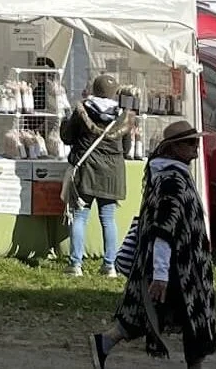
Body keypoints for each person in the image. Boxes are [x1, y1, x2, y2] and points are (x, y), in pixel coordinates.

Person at [89, 121, 216, 369]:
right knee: (193, 316)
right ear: (174, 147)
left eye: (196, 142)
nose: (196, 147)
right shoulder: (171, 180)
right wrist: (160, 274)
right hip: (180, 269)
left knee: (145, 310)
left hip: (179, 265)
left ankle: (104, 343)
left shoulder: (169, 175)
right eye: (190, 142)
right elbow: (164, 229)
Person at [62, 74, 132, 277]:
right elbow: (126, 148)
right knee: (108, 219)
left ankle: (76, 264)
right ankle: (109, 265)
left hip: (87, 169)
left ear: (94, 88)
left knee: (79, 217)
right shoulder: (123, 114)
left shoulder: (82, 109)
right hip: (112, 172)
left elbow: (67, 137)